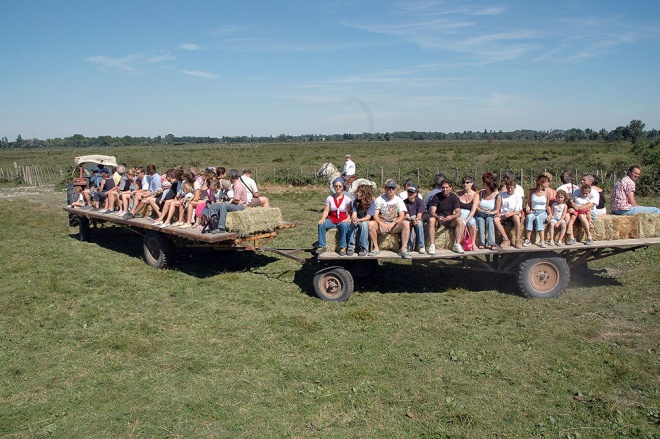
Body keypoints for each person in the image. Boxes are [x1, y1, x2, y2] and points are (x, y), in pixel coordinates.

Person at [368, 179, 412, 259]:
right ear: (385, 188)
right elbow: (375, 215)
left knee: (406, 223)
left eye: (393, 188)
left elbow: (402, 215)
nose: (391, 190)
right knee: (371, 224)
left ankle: (403, 249)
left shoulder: (399, 200)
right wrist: (382, 224)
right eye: (389, 188)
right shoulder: (379, 199)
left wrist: (393, 223)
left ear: (395, 189)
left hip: (394, 225)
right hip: (382, 224)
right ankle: (376, 247)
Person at [204, 168, 248, 234]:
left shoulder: (238, 186)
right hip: (235, 204)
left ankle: (221, 227)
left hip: (240, 206)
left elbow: (236, 201)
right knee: (213, 206)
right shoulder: (235, 184)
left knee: (224, 206)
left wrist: (227, 199)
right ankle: (213, 225)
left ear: (230, 177)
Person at [426, 179, 464, 255]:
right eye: (443, 187)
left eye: (447, 187)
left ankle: (457, 244)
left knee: (459, 220)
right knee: (431, 220)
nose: (445, 189)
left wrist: (452, 217)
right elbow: (432, 211)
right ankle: (432, 245)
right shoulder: (436, 196)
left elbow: (458, 212)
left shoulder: (454, 197)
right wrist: (438, 217)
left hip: (449, 220)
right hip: (439, 219)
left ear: (450, 188)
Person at [316, 177, 352, 255]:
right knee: (321, 225)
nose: (337, 188)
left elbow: (350, 212)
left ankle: (343, 247)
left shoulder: (347, 199)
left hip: (342, 220)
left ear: (343, 187)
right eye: (336, 186)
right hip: (332, 219)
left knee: (344, 226)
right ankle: (322, 246)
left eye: (340, 186)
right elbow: (326, 210)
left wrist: (347, 219)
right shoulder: (329, 198)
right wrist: (323, 218)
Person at [473, 172, 501, 250]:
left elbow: (497, 210)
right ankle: (482, 242)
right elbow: (476, 205)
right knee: (480, 220)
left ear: (489, 185)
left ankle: (492, 242)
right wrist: (481, 210)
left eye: (484, 183)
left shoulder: (497, 196)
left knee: (489, 220)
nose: (482, 184)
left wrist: (490, 212)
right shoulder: (481, 193)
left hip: (490, 214)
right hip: (480, 213)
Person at [347, 183, 375, 257]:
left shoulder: (371, 203)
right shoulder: (355, 202)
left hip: (366, 220)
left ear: (365, 194)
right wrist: (354, 219)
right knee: (351, 223)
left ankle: (363, 247)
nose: (358, 194)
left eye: (360, 192)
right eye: (358, 192)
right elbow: (354, 213)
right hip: (358, 220)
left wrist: (359, 220)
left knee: (364, 224)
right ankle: (350, 246)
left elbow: (368, 217)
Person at [523, 174, 552, 248]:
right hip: (533, 211)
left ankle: (542, 240)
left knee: (538, 219)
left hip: (542, 211)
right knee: (529, 217)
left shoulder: (547, 192)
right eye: (546, 182)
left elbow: (547, 205)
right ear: (541, 182)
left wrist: (550, 214)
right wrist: (527, 209)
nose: (547, 183)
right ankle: (528, 239)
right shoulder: (531, 191)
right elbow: (528, 203)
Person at [494, 179, 524, 248]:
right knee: (496, 219)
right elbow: (498, 209)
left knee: (516, 217)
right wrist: (498, 213)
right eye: (508, 188)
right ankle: (506, 239)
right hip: (504, 215)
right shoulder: (501, 195)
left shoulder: (518, 197)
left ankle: (517, 239)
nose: (509, 189)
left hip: (513, 215)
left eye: (511, 188)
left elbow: (518, 211)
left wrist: (510, 214)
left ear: (515, 188)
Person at [403, 184, 426, 253]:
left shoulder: (420, 202)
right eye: (408, 192)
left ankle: (421, 245)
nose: (409, 193)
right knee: (407, 224)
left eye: (411, 192)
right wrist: (411, 219)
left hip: (416, 219)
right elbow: (405, 214)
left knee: (419, 224)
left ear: (416, 193)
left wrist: (415, 220)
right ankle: (407, 245)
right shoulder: (404, 202)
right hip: (408, 219)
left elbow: (419, 215)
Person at [457, 176, 478, 250]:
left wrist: (467, 220)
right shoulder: (459, 194)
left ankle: (473, 243)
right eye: (463, 182)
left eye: (467, 182)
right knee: (461, 223)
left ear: (471, 184)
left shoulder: (475, 195)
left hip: (470, 215)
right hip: (460, 213)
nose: (465, 184)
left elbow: (473, 210)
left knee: (472, 224)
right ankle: (458, 243)